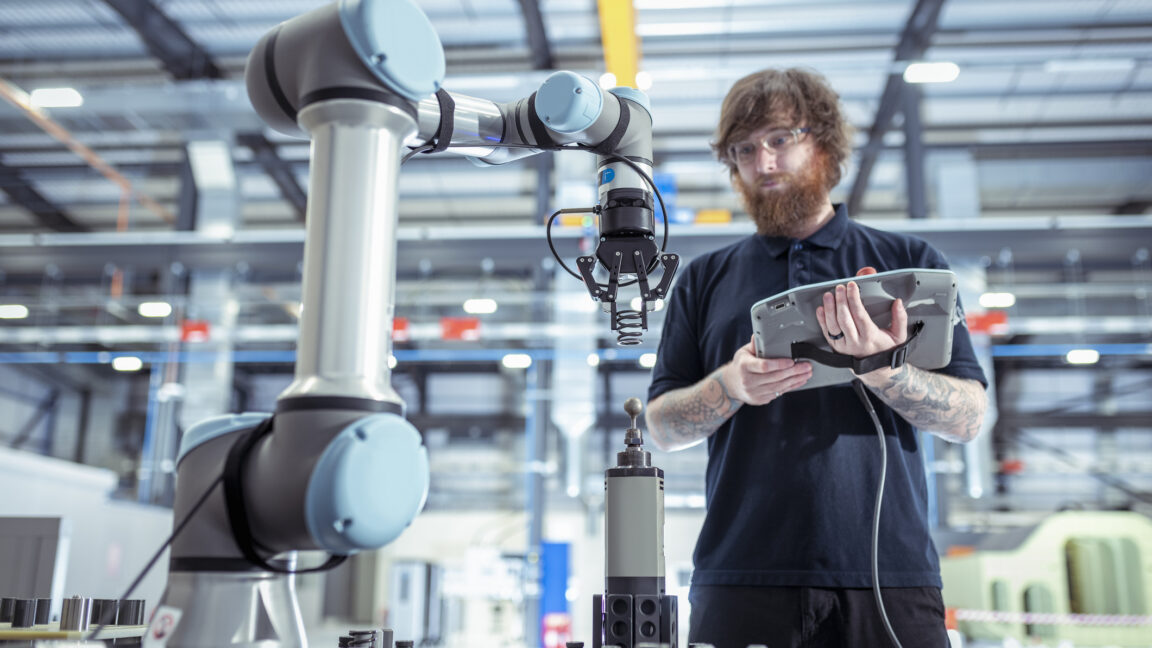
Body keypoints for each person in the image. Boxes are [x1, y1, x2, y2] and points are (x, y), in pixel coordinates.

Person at [644, 68, 989, 648]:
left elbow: (970, 417)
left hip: (888, 579)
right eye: (744, 149)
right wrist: (730, 386)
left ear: (824, 143)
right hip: (741, 577)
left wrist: (886, 371)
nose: (764, 162)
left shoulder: (907, 262)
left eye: (781, 139)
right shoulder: (704, 279)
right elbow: (660, 426)